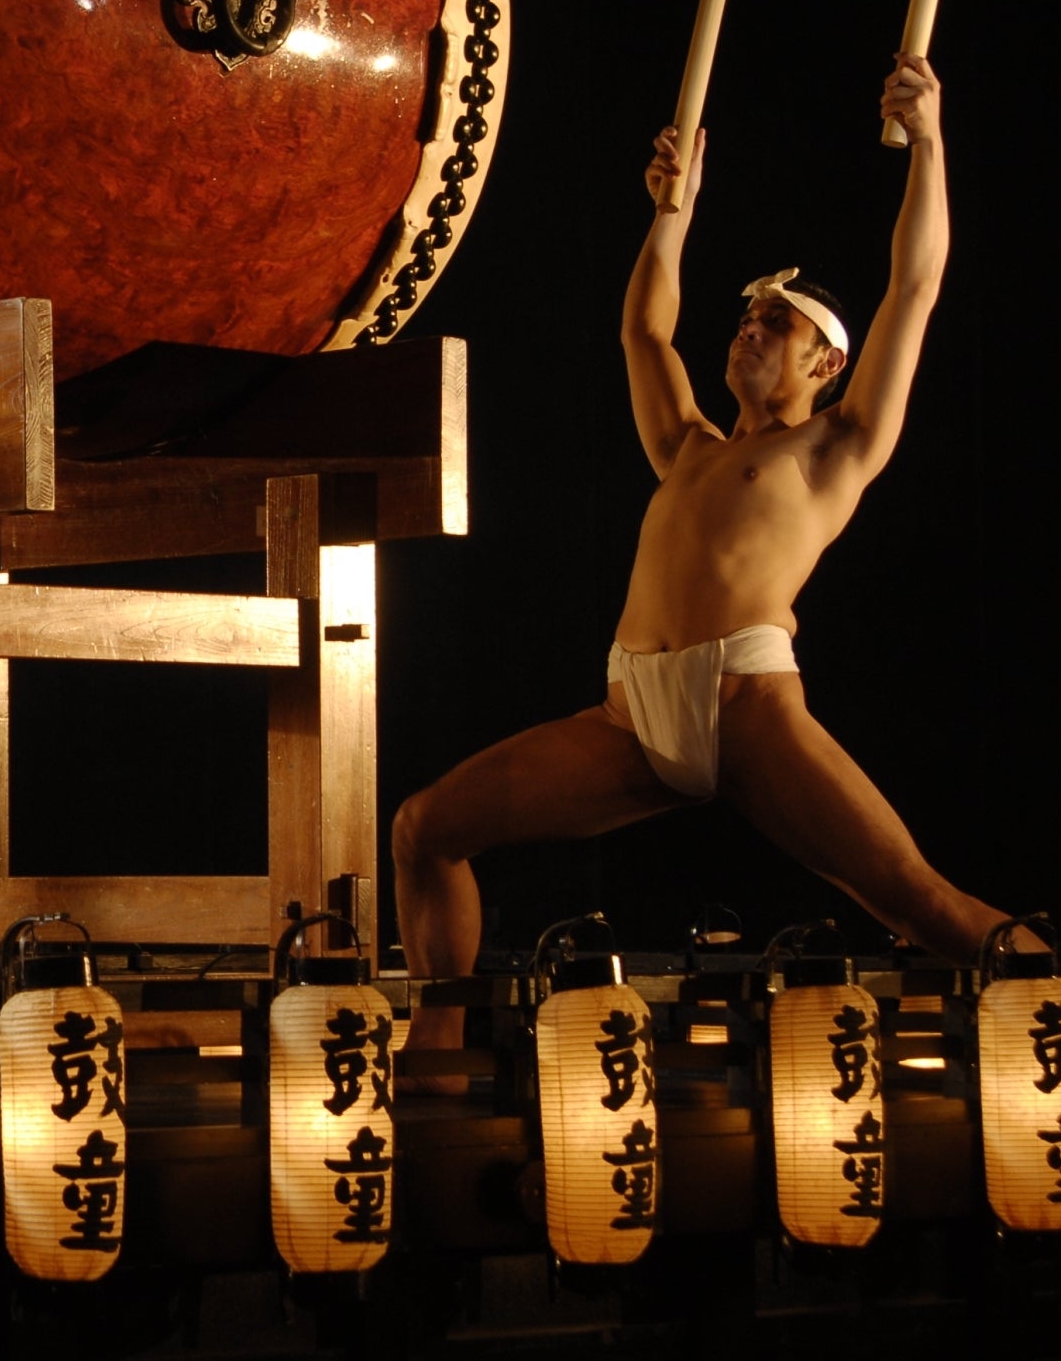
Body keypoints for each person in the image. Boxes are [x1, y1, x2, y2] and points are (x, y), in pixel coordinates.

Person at [391, 54, 1007, 1048]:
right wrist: (673, 209)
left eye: (779, 322)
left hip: (747, 701)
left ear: (827, 359)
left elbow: (919, 282)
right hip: (633, 710)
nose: (751, 329)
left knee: (914, 899)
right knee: (426, 829)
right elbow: (645, 328)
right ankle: (433, 1059)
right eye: (748, 315)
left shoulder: (835, 448)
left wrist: (928, 140)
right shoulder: (688, 448)